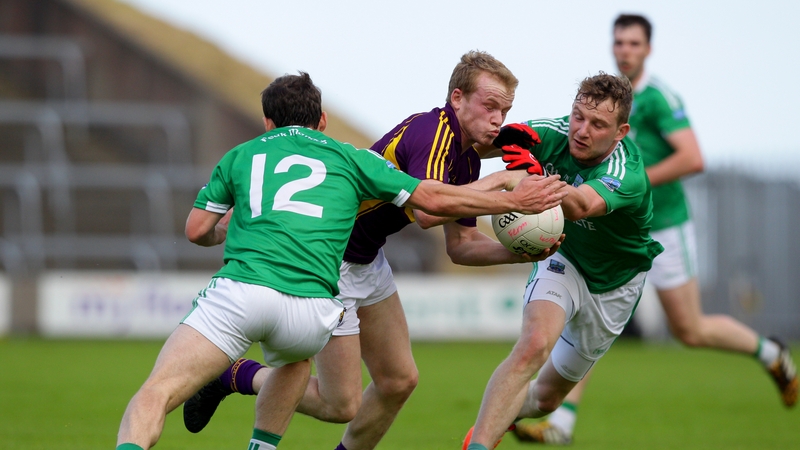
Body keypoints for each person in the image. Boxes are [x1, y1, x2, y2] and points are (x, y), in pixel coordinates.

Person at [114, 71, 567, 450]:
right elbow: (429, 210)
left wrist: (518, 252)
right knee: (336, 401)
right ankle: (237, 376)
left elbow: (460, 245)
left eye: (505, 110)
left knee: (398, 381)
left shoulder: (465, 161)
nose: (498, 119)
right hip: (332, 261)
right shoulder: (427, 135)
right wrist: (507, 190)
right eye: (490, 106)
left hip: (364, 259)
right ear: (457, 98)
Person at [512, 14, 798, 445]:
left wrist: (629, 186)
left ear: (648, 49)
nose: (625, 50)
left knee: (690, 329)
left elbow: (693, 158)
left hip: (662, 226)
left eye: (634, 43)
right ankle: (563, 421)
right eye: (619, 42)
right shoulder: (604, 100)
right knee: (586, 314)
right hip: (603, 225)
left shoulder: (660, 99)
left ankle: (772, 353)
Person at [461, 71, 665, 450]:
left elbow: (582, 205)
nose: (581, 131)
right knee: (533, 346)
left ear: (620, 132)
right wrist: (474, 146)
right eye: (578, 116)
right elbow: (488, 142)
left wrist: (535, 171)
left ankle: (502, 416)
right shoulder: (555, 133)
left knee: (546, 400)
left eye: (597, 124)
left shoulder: (627, 171)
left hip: (615, 286)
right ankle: (480, 444)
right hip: (562, 257)